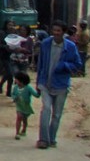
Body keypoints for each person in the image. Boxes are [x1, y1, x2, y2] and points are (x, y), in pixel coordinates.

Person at [35, 20, 82, 149]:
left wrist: (65, 66)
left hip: (61, 85)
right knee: (46, 109)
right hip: (45, 83)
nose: (55, 33)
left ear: (63, 32)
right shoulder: (45, 44)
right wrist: (38, 82)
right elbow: (40, 65)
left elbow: (78, 65)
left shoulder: (70, 47)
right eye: (54, 30)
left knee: (56, 115)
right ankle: (43, 139)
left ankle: (52, 138)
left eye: (58, 31)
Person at [11, 71, 39, 140]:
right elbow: (13, 94)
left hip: (26, 107)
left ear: (21, 80)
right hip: (19, 106)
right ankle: (17, 133)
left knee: (24, 119)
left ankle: (24, 129)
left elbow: (36, 95)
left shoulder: (28, 88)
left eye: (16, 79)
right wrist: (14, 98)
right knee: (19, 117)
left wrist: (39, 91)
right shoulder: (15, 87)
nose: (15, 80)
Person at [0, 20, 17, 96]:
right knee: (10, 73)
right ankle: (8, 91)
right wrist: (6, 47)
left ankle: (2, 86)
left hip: (12, 56)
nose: (10, 26)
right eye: (9, 25)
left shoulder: (14, 33)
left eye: (12, 25)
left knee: (9, 73)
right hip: (4, 55)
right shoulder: (2, 33)